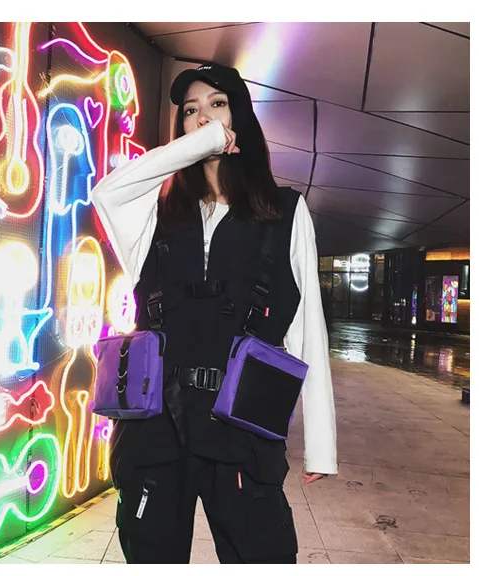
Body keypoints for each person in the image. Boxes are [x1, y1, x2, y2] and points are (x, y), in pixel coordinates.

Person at [90, 62, 337, 564]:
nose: (202, 117)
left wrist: (321, 444)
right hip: (156, 429)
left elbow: (308, 329)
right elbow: (106, 192)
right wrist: (204, 141)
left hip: (242, 432)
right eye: (190, 111)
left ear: (240, 117)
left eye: (217, 105)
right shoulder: (151, 215)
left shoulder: (286, 212)